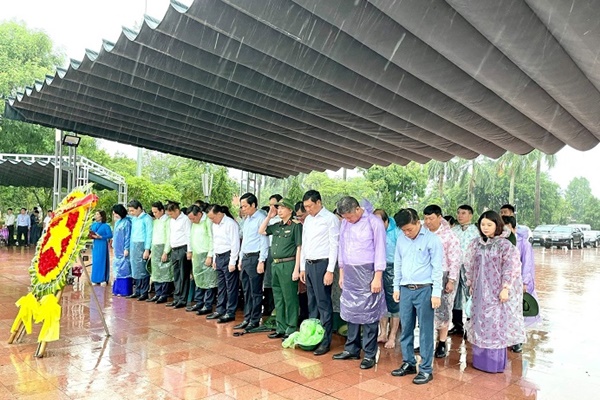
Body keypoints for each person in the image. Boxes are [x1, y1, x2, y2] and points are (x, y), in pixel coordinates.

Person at [464, 210, 526, 373]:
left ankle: (493, 363)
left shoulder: (505, 245)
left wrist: (505, 288)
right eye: (482, 224)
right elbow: (469, 264)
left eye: (489, 225)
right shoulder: (475, 244)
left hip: (496, 293)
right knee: (479, 324)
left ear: (497, 226)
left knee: (495, 326)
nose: (485, 228)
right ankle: (479, 361)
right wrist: (470, 282)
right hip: (479, 293)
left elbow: (511, 268)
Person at [333, 197, 386, 370]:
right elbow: (341, 247)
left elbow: (380, 249)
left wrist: (377, 276)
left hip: (368, 272)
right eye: (345, 218)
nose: (348, 220)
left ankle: (370, 353)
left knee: (370, 313)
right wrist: (341, 272)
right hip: (349, 272)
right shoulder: (345, 224)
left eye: (349, 216)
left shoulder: (374, 222)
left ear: (357, 209)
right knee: (351, 311)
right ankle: (351, 349)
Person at [391, 208, 443, 385]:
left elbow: (437, 268)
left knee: (426, 331)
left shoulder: (432, 240)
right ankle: (409, 362)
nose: (407, 233)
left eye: (409, 229)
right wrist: (396, 287)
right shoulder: (401, 239)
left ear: (418, 223)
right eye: (403, 230)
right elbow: (398, 263)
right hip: (405, 289)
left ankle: (426, 369)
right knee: (406, 328)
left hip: (425, 289)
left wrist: (436, 293)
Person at [300, 190, 340, 356]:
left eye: (310, 206)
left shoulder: (330, 219)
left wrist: (330, 270)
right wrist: (302, 266)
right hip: (309, 265)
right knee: (312, 303)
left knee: (323, 304)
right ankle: (312, 337)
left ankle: (325, 341)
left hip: (322, 265)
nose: (307, 209)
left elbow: (334, 245)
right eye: (305, 206)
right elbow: (305, 243)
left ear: (318, 202)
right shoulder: (308, 220)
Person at [259, 198, 302, 338]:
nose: (279, 210)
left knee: (289, 297)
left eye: (282, 208)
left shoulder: (296, 226)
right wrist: (269, 216)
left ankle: (291, 327)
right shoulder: (276, 225)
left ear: (290, 210)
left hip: (288, 264)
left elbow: (299, 248)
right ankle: (280, 327)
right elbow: (261, 230)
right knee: (278, 297)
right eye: (278, 208)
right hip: (275, 264)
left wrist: (296, 269)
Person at [423, 205, 461, 358]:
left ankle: (442, 342)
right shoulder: (422, 233)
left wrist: (451, 280)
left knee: (443, 310)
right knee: (426, 311)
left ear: (439, 217)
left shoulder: (449, 236)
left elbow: (455, 259)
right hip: (425, 276)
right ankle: (427, 342)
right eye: (425, 218)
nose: (428, 221)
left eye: (431, 218)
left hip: (444, 275)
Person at [235, 193, 269, 331]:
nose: (243, 209)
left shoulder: (260, 219)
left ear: (253, 205)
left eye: (245, 206)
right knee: (246, 291)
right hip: (246, 257)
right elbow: (245, 241)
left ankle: (254, 319)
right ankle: (247, 318)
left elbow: (263, 241)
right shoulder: (247, 220)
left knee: (255, 291)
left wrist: (262, 260)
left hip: (256, 257)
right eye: (241, 206)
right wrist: (240, 258)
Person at [206, 204, 240, 324]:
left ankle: (230, 312)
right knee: (221, 286)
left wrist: (232, 261)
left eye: (212, 217)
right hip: (219, 256)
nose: (211, 220)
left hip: (228, 256)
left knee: (230, 286)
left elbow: (235, 244)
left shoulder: (230, 224)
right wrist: (215, 258)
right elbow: (216, 242)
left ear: (219, 214)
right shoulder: (214, 225)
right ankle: (220, 309)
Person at [450, 205, 480, 336]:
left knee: (470, 296)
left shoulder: (476, 231)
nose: (460, 216)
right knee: (454, 296)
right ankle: (457, 325)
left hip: (470, 269)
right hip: (455, 268)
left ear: (470, 215)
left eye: (463, 213)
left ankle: (470, 326)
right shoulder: (454, 230)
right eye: (458, 213)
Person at [373, 208, 400, 349]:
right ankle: (383, 333)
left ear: (386, 221)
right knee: (380, 302)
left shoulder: (397, 232)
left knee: (394, 304)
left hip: (393, 268)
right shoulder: (375, 232)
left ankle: (392, 336)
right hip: (378, 269)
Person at [187, 204, 216, 315]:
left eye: (193, 218)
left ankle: (208, 304)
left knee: (208, 281)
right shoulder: (194, 223)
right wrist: (190, 251)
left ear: (199, 214)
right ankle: (199, 302)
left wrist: (210, 255)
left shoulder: (207, 221)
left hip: (206, 254)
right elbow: (191, 237)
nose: (192, 220)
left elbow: (211, 238)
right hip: (196, 254)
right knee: (198, 279)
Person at [164, 201, 192, 309]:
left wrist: (189, 250)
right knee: (176, 274)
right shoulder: (171, 221)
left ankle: (183, 299)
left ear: (177, 210)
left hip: (183, 248)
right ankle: (176, 297)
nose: (170, 216)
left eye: (171, 213)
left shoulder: (185, 220)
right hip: (174, 249)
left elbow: (189, 235)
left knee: (183, 275)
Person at [148, 201, 174, 304]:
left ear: (162, 211)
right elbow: (153, 237)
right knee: (156, 272)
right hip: (155, 247)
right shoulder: (155, 222)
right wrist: (151, 249)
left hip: (163, 247)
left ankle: (164, 294)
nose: (154, 214)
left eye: (156, 212)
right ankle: (158, 293)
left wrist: (166, 251)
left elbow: (169, 237)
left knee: (165, 271)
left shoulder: (168, 221)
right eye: (153, 212)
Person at [127, 200, 153, 300]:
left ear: (139, 208)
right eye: (130, 211)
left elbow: (149, 234)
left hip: (142, 245)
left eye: (132, 210)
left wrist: (147, 249)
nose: (131, 213)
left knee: (143, 269)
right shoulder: (134, 219)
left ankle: (144, 291)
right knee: (135, 269)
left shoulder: (147, 218)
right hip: (134, 245)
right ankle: (137, 290)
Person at [111, 204, 133, 297]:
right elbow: (115, 235)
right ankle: (117, 289)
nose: (114, 215)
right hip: (117, 248)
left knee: (124, 268)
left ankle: (125, 290)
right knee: (117, 267)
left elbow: (127, 236)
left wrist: (126, 248)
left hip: (123, 248)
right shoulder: (117, 222)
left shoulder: (127, 222)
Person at [89, 210, 113, 285]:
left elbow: (110, 235)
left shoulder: (106, 226)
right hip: (95, 244)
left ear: (101, 216)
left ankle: (102, 278)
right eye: (95, 214)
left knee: (102, 260)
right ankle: (95, 279)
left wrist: (101, 237)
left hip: (102, 244)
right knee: (95, 261)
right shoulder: (93, 225)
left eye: (97, 214)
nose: (95, 216)